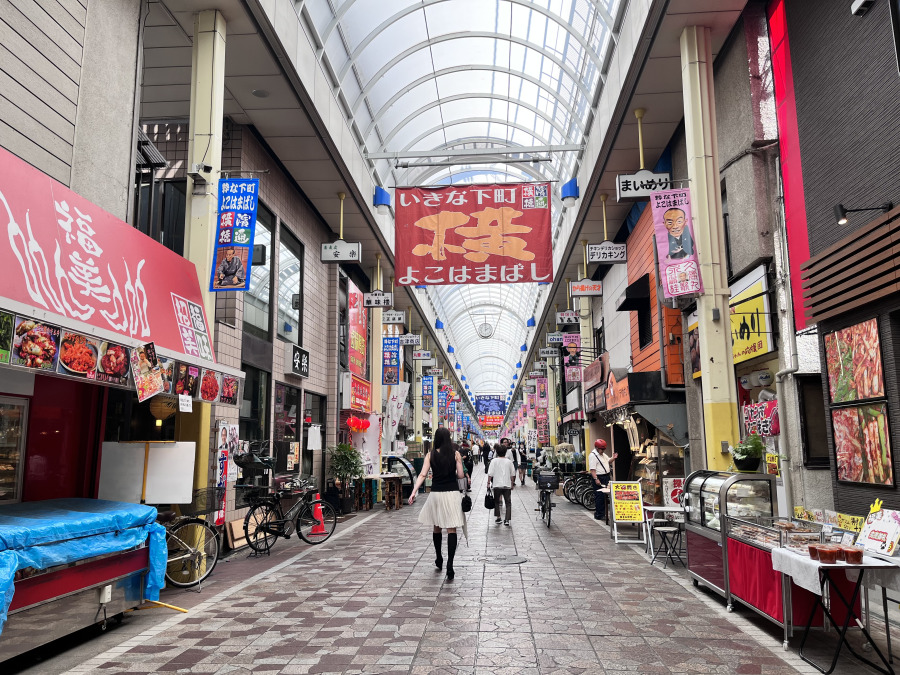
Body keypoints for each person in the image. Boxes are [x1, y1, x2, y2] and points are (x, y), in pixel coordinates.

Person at [408, 428, 465, 581]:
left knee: (437, 526)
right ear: (448, 438)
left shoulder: (430, 455)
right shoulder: (455, 454)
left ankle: (439, 557)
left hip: (436, 494)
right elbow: (460, 475)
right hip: (452, 494)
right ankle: (450, 565)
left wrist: (414, 491)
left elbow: (422, 474)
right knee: (451, 528)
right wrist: (458, 464)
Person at [487, 444, 515, 526]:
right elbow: (512, 474)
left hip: (497, 484)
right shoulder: (509, 462)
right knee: (508, 503)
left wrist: (488, 483)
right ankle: (507, 520)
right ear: (505, 452)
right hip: (507, 484)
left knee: (496, 502)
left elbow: (490, 473)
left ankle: (498, 517)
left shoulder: (494, 461)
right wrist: (512, 483)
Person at [589, 439, 617, 521]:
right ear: (597, 448)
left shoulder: (603, 455)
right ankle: (599, 514)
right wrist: (596, 479)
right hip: (599, 477)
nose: (603, 451)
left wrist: (613, 458)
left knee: (605, 496)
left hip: (606, 477)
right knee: (600, 496)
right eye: (602, 449)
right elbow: (592, 470)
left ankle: (603, 513)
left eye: (604, 449)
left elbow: (608, 461)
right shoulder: (593, 456)